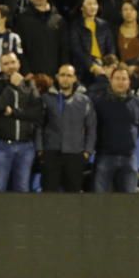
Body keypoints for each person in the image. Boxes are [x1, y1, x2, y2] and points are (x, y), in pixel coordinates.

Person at [0, 52, 43, 192]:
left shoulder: (30, 85)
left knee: (22, 188)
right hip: (2, 145)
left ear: (19, 63)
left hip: (26, 146)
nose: (10, 66)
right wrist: (11, 86)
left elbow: (36, 113)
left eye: (12, 62)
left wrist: (13, 112)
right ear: (1, 67)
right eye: (6, 64)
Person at [41, 64, 96, 193]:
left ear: (75, 78)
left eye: (69, 75)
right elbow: (39, 126)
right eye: (62, 75)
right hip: (51, 153)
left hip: (75, 155)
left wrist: (87, 151)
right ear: (57, 77)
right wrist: (40, 149)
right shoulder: (46, 98)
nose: (65, 78)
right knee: (48, 196)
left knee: (73, 196)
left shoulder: (84, 101)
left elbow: (91, 128)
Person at [91, 65, 139, 192]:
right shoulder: (99, 101)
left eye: (124, 79)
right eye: (117, 78)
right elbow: (93, 127)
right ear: (111, 80)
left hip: (129, 158)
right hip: (105, 157)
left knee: (128, 204)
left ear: (129, 81)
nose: (121, 82)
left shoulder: (137, 103)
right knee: (99, 202)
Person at [14, 0, 67, 77]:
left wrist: (62, 72)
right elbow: (19, 49)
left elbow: (64, 49)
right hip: (32, 76)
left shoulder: (58, 20)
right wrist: (26, 72)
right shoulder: (22, 20)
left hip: (55, 76)